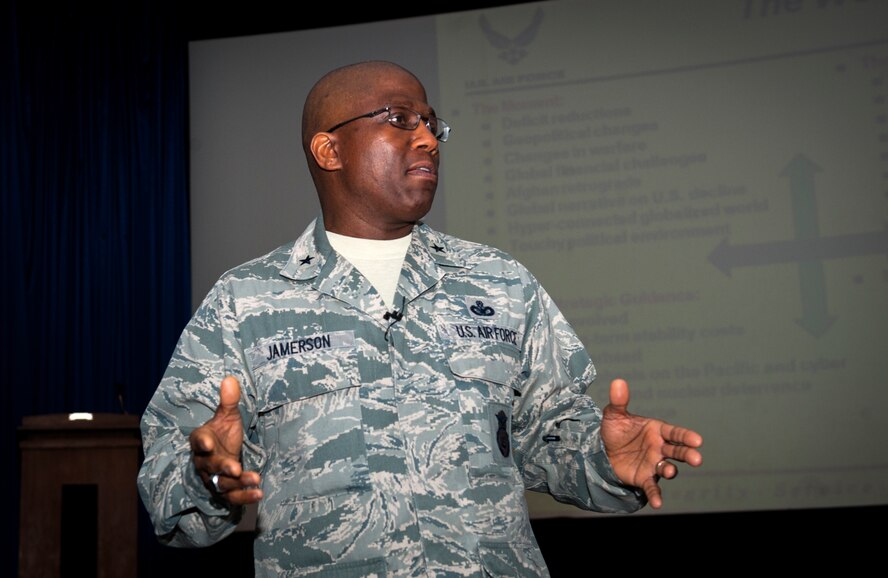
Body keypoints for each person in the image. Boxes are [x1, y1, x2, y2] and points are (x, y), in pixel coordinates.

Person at [137, 60, 703, 577]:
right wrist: (206, 474)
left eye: (433, 123)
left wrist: (603, 458)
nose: (429, 139)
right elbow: (171, 489)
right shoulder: (245, 301)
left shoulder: (500, 281)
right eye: (400, 120)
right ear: (329, 151)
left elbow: (548, 438)